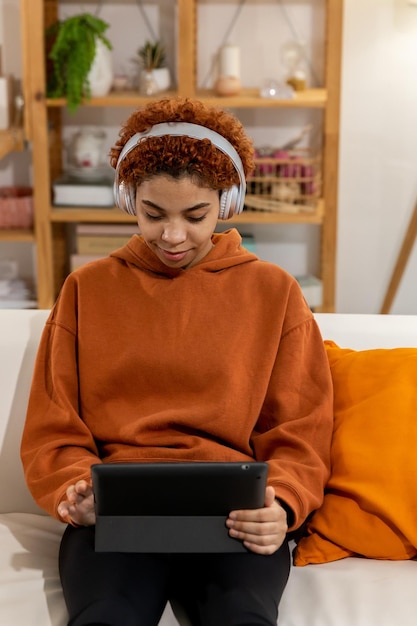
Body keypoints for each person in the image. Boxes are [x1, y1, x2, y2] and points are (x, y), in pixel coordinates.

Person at [21, 97, 333, 626]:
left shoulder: (274, 291)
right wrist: (74, 490)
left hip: (234, 517)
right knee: (105, 618)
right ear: (128, 199)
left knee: (242, 618)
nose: (172, 236)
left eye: (195, 216)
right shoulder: (86, 290)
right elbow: (54, 425)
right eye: (153, 213)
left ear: (227, 202)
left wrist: (280, 506)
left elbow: (301, 428)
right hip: (115, 518)